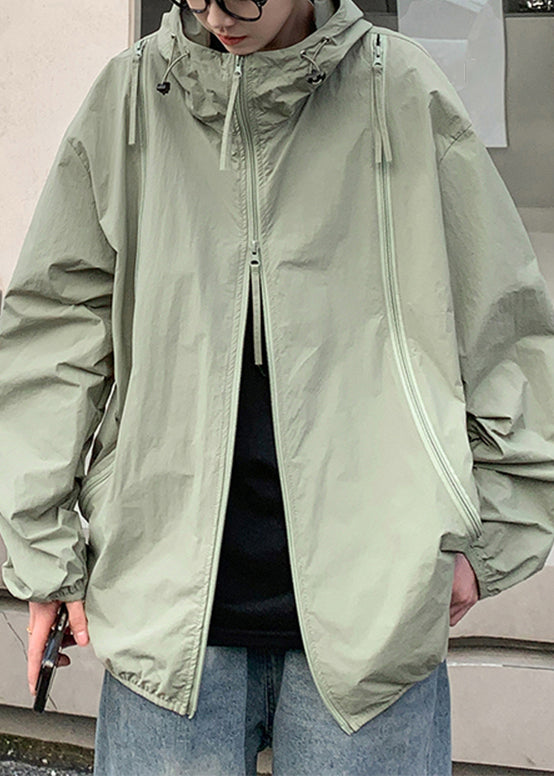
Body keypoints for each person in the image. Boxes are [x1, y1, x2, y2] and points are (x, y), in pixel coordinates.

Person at [1, 0, 553, 773]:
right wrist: (43, 553)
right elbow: (54, 333)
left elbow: (506, 327)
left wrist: (490, 535)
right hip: (166, 616)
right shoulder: (131, 99)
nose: (218, 16)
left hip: (375, 618)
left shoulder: (401, 91)